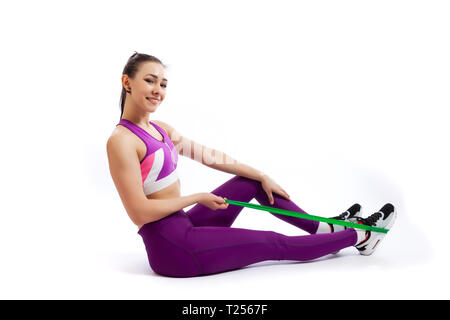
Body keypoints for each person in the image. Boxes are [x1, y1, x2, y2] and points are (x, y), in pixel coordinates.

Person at [106, 52, 397, 278]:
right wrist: (197, 197)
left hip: (184, 224)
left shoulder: (161, 129)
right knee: (273, 242)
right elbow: (139, 212)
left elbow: (212, 156)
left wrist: (262, 175)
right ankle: (362, 235)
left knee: (250, 182)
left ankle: (324, 229)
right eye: (150, 80)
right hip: (172, 249)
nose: (158, 89)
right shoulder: (122, 141)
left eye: (163, 83)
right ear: (127, 82)